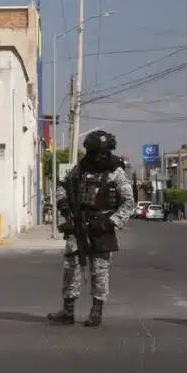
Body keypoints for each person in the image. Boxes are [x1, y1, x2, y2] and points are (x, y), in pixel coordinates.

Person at [47, 130, 136, 328]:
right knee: (71, 266)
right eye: (95, 151)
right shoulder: (80, 169)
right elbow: (63, 186)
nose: (98, 156)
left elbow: (128, 203)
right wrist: (62, 203)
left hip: (102, 227)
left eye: (101, 152)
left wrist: (110, 222)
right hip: (79, 224)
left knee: (99, 270)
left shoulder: (116, 172)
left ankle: (96, 311)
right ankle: (68, 310)